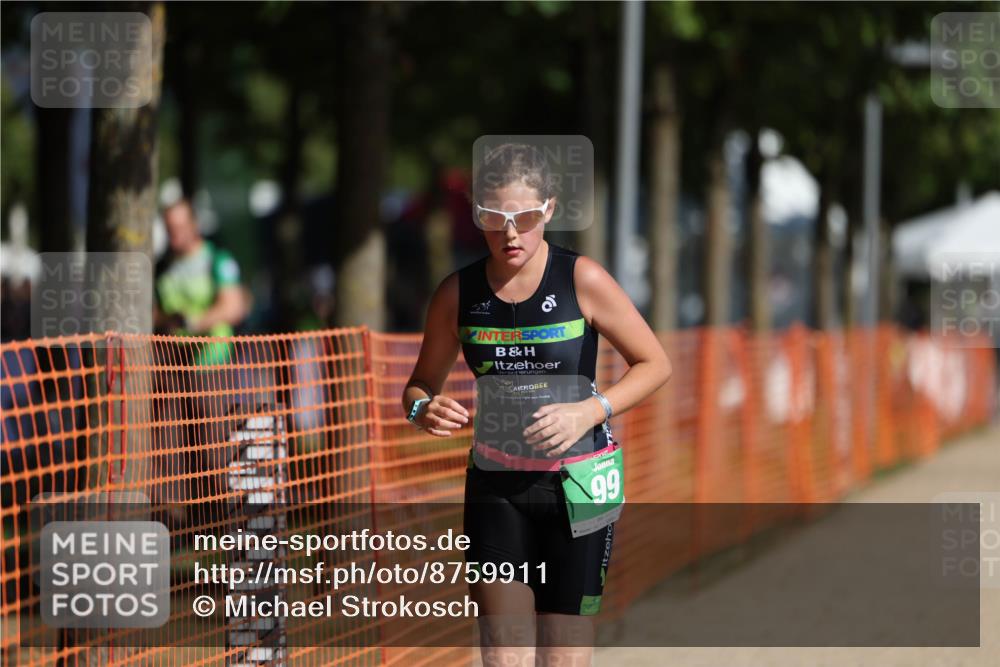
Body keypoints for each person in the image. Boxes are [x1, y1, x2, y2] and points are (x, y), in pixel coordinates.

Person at [402, 144, 672, 665]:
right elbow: (419, 386)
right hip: (495, 486)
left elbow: (655, 364)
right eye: (494, 217)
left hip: (577, 483)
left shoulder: (582, 279)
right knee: (503, 653)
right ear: (477, 212)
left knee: (561, 655)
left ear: (548, 209)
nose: (510, 233)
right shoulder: (457, 293)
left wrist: (589, 411)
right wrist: (421, 409)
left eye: (524, 218)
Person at [152, 198, 249, 516]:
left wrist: (192, 323)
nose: (176, 233)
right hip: (172, 371)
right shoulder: (162, 267)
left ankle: (221, 522)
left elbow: (233, 305)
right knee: (170, 450)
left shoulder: (217, 260)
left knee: (214, 449)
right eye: (170, 228)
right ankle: (179, 526)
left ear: (193, 224)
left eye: (181, 226)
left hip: (212, 369)